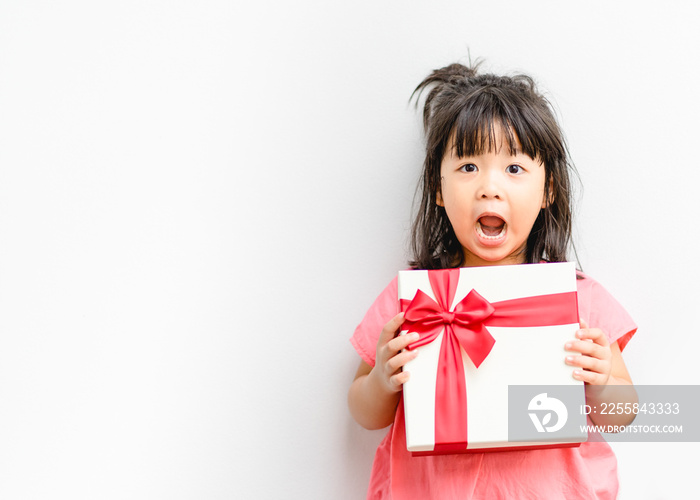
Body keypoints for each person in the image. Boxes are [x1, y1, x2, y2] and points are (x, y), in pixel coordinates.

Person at [347, 61, 637, 499]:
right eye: (468, 167)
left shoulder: (579, 299)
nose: (489, 187)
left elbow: (625, 412)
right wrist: (382, 381)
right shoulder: (415, 299)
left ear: (549, 190)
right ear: (439, 189)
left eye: (514, 168)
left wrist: (598, 383)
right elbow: (364, 411)